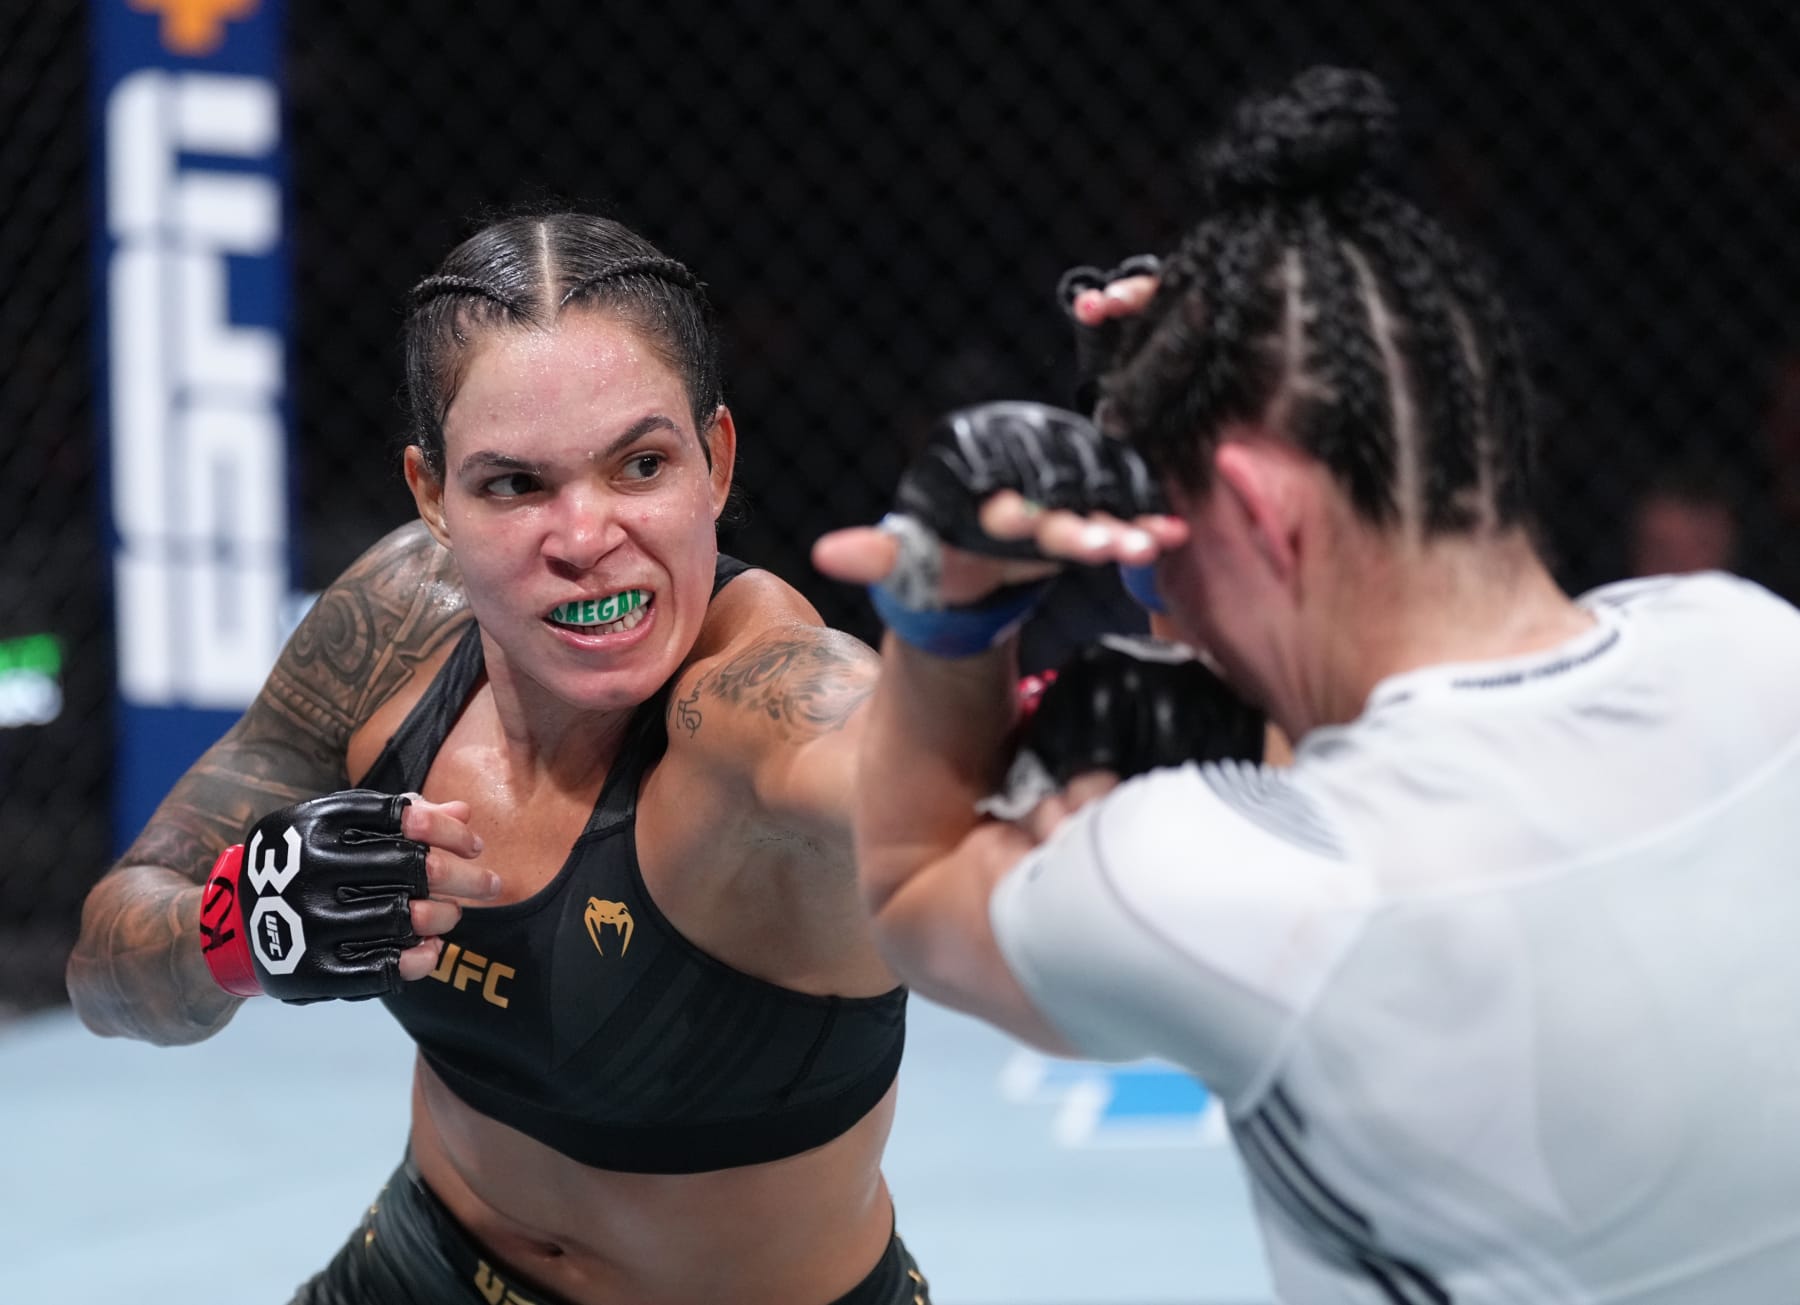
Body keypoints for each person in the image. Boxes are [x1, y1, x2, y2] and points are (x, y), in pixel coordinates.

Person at [815, 67, 1800, 1301]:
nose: (1155, 586)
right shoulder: (1753, 646)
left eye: (1169, 530)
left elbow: (914, 891)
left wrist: (951, 609)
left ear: (1258, 511)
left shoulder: (1227, 884)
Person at [66, 211, 929, 1305]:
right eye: (515, 484)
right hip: (421, 1266)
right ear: (433, 498)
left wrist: (1006, 673)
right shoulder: (394, 632)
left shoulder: (762, 697)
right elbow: (103, 971)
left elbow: (898, 758)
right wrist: (236, 931)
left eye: (641, 465)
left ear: (715, 462)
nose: (585, 538)